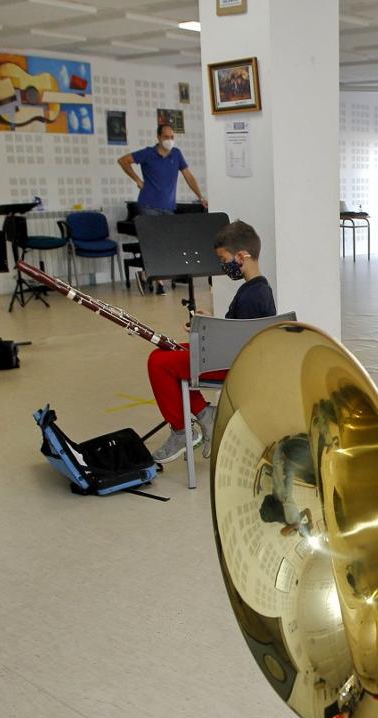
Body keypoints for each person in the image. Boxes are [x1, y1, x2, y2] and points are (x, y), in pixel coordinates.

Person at [147, 221, 275, 464]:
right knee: (166, 352)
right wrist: (209, 323)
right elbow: (235, 331)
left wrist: (210, 330)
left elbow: (238, 343)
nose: (222, 265)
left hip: (232, 364)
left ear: (241, 256)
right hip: (230, 357)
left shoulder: (251, 295)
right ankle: (205, 415)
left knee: (158, 363)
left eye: (223, 258)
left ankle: (182, 432)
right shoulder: (256, 289)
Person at [118, 124, 207, 217]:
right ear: (158, 137)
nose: (169, 140)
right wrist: (138, 180)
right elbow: (123, 161)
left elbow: (188, 176)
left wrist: (200, 197)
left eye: (172, 137)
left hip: (168, 207)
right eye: (166, 137)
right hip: (148, 206)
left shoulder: (176, 154)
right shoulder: (148, 153)